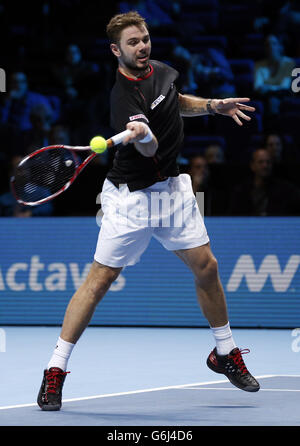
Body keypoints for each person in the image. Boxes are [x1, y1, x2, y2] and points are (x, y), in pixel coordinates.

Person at [37, 11, 259, 411]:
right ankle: (55, 370)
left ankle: (225, 353)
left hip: (172, 190)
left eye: (145, 39)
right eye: (133, 43)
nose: (142, 47)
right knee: (99, 281)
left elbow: (174, 103)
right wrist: (143, 134)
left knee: (207, 266)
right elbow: (150, 148)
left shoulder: (161, 71)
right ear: (115, 50)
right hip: (130, 200)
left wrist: (211, 106)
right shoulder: (122, 97)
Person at [228, 148, 300, 216]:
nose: (265, 165)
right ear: (252, 166)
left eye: (268, 162)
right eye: (260, 162)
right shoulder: (241, 191)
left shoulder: (286, 190)